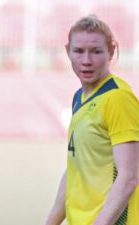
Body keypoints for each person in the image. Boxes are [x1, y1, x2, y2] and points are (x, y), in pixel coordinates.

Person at [46, 15, 139, 225]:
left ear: (111, 52)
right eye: (79, 51)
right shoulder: (79, 97)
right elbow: (74, 170)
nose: (86, 61)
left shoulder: (118, 98)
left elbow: (129, 176)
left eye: (96, 51)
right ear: (68, 51)